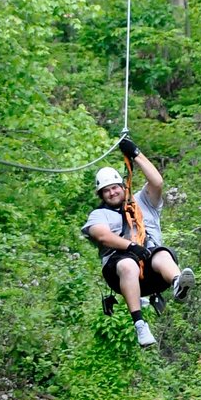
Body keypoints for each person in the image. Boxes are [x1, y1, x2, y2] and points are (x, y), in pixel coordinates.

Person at [82, 138, 194, 348]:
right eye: (106, 190)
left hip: (152, 271)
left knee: (161, 254)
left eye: (115, 187)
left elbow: (157, 182)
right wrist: (131, 247)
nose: (112, 192)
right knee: (128, 264)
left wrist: (135, 154)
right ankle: (140, 324)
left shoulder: (143, 202)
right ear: (101, 195)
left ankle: (177, 283)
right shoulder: (99, 215)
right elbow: (102, 236)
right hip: (119, 271)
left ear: (123, 186)